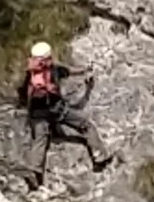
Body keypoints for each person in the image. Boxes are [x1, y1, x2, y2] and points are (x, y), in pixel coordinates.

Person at [17, 41, 111, 175]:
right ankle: (99, 156)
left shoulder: (30, 74)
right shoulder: (54, 69)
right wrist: (87, 71)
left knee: (39, 141)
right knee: (86, 125)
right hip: (57, 110)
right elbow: (71, 71)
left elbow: (23, 94)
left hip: (38, 116)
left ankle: (34, 170)